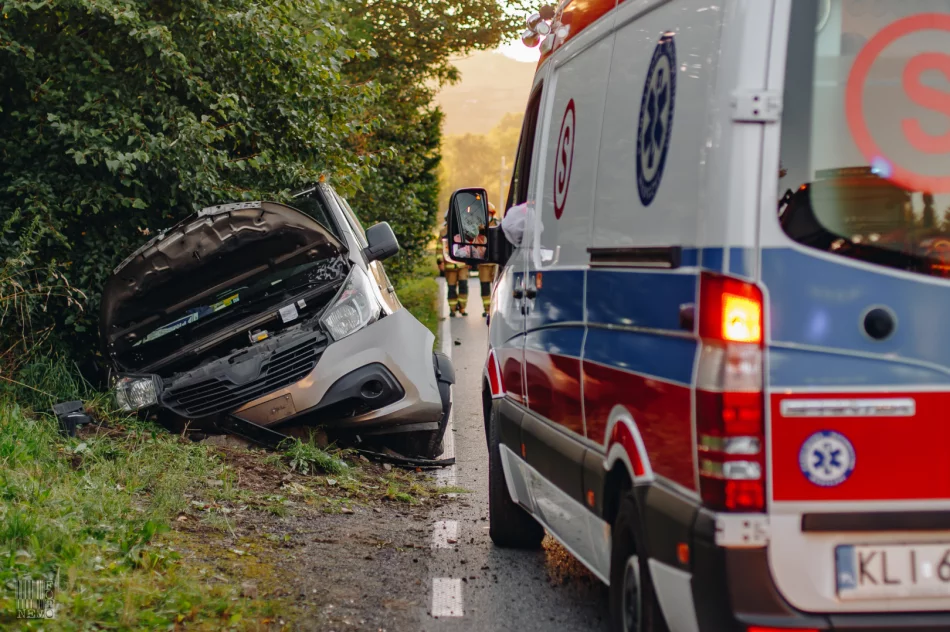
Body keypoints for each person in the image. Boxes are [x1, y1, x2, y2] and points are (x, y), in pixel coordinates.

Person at [440, 214, 469, 317]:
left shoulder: (463, 230)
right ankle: (452, 309)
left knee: (463, 286)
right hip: (450, 266)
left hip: (462, 266)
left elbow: (468, 246)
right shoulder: (443, 232)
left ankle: (462, 308)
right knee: (451, 288)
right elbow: (440, 248)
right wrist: (440, 262)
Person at [477, 203, 500, 317]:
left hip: (496, 262)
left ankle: (496, 309)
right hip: (483, 262)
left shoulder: (498, 226)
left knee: (497, 286)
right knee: (485, 286)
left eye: (488, 214)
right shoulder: (477, 228)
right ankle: (487, 309)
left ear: (492, 214)